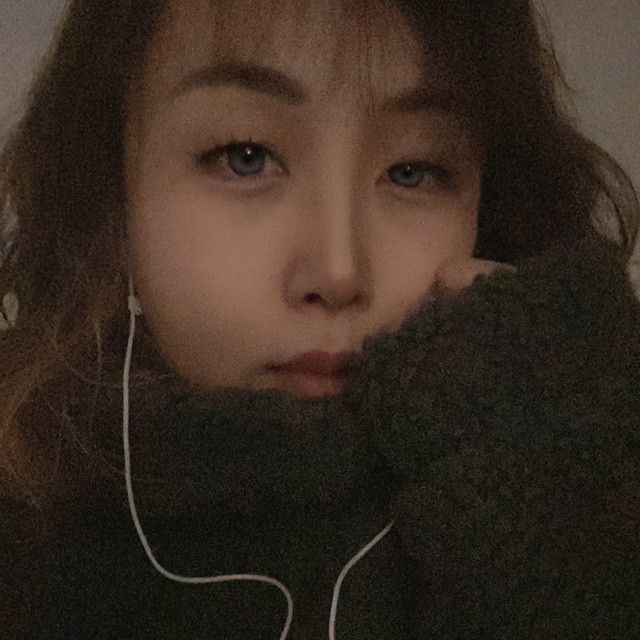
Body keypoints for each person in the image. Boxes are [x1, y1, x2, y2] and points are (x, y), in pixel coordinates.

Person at [1, 0, 639, 637]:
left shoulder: (584, 484)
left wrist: (555, 499)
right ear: (113, 187)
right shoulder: (27, 537)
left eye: (412, 171)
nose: (339, 273)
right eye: (245, 155)